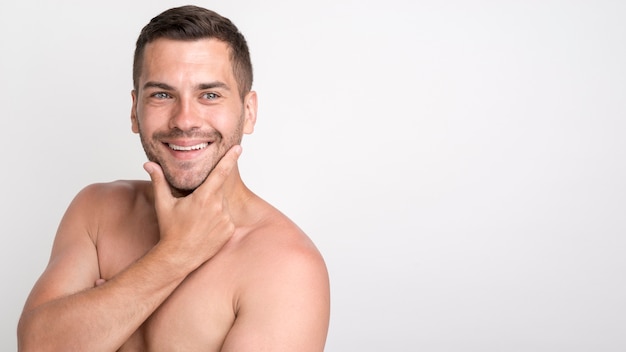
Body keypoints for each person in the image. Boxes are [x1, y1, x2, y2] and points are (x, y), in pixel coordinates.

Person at [17, 5, 330, 351]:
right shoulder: (96, 211)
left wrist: (101, 318)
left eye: (209, 95)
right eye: (162, 95)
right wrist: (175, 254)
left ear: (249, 111)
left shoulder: (286, 265)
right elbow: (36, 346)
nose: (184, 120)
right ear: (135, 110)